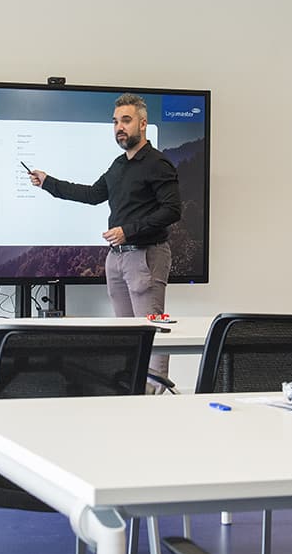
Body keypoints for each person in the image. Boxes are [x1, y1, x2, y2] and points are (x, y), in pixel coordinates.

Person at [28, 93, 181, 383]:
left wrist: (129, 230)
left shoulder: (158, 164)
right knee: (126, 334)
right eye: (115, 122)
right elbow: (92, 195)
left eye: (126, 120)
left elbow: (173, 210)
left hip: (145, 256)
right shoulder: (118, 165)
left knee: (152, 332)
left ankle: (155, 397)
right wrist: (48, 182)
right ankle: (128, 391)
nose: (119, 127)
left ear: (143, 124)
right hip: (117, 259)